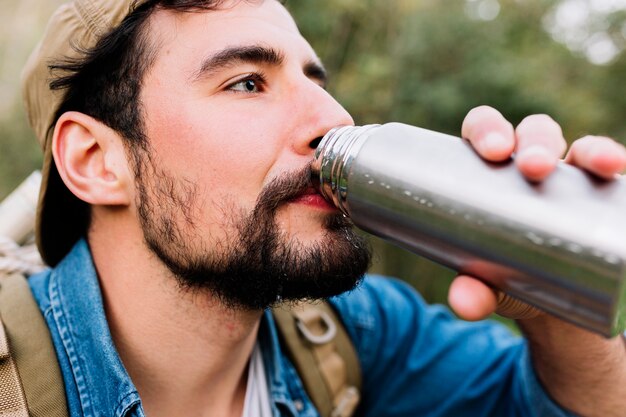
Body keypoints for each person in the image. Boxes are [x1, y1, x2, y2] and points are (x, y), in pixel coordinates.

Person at [19, 0, 626, 416]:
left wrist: (558, 301)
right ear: (96, 160)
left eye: (316, 81)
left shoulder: (351, 332)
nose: (334, 118)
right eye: (247, 82)